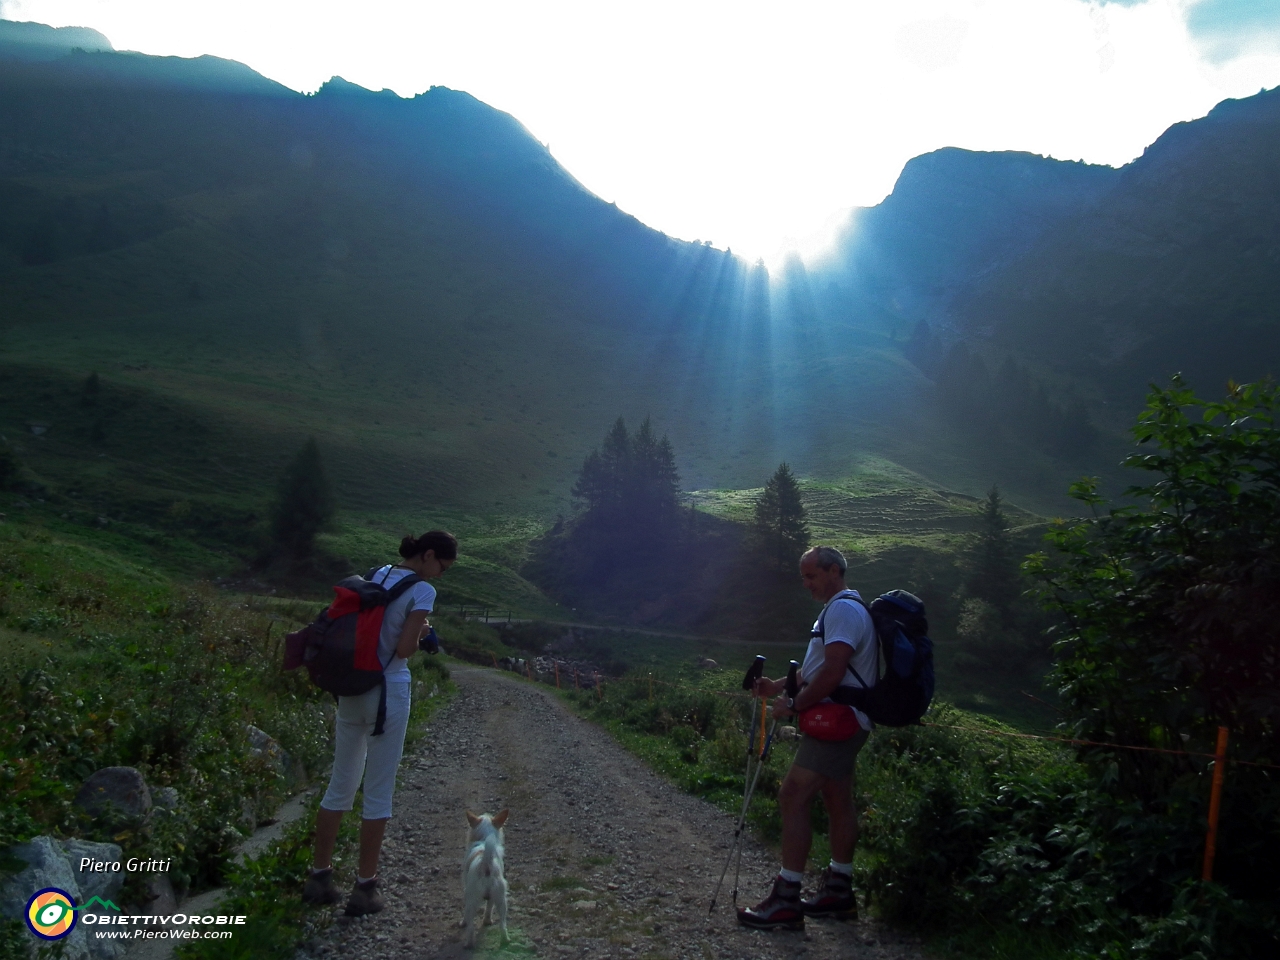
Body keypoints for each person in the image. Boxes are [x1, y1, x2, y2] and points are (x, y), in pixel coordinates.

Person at [303, 530, 457, 916]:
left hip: (351, 686)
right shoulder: (422, 591)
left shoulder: (375, 575)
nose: (440, 575)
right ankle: (365, 888)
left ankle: (319, 877)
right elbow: (403, 649)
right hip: (387, 691)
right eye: (442, 566)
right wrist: (421, 633)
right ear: (429, 555)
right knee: (379, 791)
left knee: (341, 782)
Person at [737, 545, 876, 929]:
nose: (806, 584)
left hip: (837, 722)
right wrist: (775, 687)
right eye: (803, 577)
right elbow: (814, 671)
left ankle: (786, 900)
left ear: (834, 571)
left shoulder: (844, 610)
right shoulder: (840, 609)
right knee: (836, 798)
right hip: (846, 720)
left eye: (811, 576)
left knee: (793, 795)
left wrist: (793, 707)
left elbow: (831, 674)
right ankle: (838, 892)